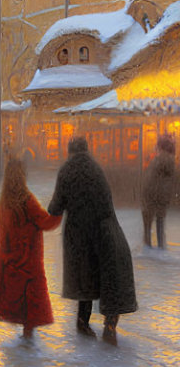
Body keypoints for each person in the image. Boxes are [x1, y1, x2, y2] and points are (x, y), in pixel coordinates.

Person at [48, 136, 137, 345]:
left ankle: (83, 322)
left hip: (78, 234)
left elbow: (55, 207)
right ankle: (110, 324)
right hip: (104, 230)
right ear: (86, 150)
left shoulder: (66, 171)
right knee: (109, 276)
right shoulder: (96, 169)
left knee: (83, 276)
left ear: (70, 151)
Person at [0, 157, 62, 339]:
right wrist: (59, 209)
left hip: (9, 259)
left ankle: (24, 342)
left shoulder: (4, 202)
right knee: (29, 304)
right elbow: (46, 222)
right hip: (28, 260)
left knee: (15, 299)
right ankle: (28, 340)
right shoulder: (27, 200)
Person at [141, 134, 175, 249]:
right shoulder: (167, 159)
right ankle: (159, 249)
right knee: (159, 222)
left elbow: (151, 177)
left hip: (153, 195)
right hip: (159, 195)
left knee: (149, 223)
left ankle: (149, 248)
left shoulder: (162, 159)